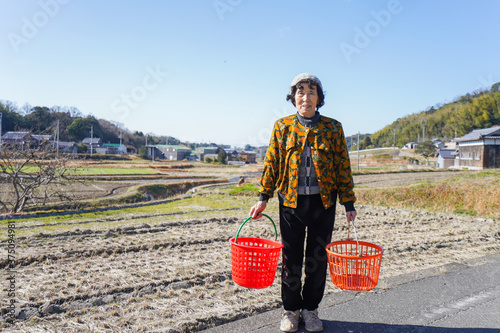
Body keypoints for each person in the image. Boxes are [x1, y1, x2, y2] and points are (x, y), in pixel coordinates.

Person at [249, 73, 357, 333]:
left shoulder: (333, 127)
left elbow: (343, 165)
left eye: (311, 92)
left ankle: (311, 311)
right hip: (291, 204)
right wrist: (263, 197)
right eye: (300, 92)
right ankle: (290, 311)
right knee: (291, 260)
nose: (305, 97)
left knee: (317, 261)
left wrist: (348, 202)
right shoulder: (282, 126)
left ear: (319, 98)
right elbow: (272, 163)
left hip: (323, 204)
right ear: (293, 97)